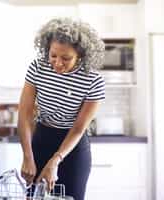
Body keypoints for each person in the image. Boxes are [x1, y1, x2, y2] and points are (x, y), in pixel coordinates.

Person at [18, 17, 105, 200]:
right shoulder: (37, 67)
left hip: (72, 146)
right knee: (35, 197)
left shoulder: (93, 80)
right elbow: (25, 114)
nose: (57, 63)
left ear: (80, 55)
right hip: (42, 139)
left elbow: (79, 128)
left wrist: (55, 161)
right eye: (53, 55)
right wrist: (27, 156)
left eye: (66, 58)